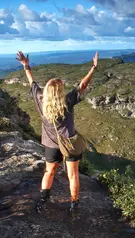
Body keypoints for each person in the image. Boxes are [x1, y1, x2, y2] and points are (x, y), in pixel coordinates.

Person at [16, 51, 99, 213]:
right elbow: (83, 85)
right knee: (73, 176)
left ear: (47, 91)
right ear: (60, 92)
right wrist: (93, 67)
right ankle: (74, 205)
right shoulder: (67, 101)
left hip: (50, 144)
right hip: (69, 143)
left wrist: (26, 65)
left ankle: (42, 200)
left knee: (49, 171)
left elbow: (32, 82)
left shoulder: (40, 99)